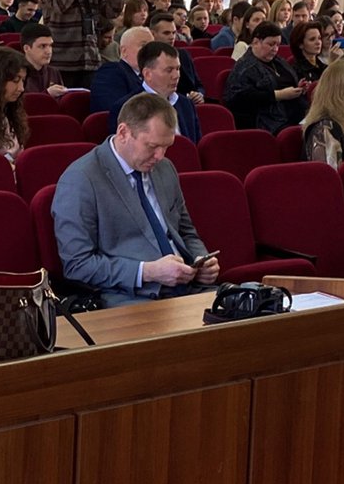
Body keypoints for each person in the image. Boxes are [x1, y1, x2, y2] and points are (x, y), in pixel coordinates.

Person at [50, 93, 220, 308]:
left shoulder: (165, 168)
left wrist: (201, 260)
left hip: (190, 287)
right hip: (131, 296)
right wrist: (147, 272)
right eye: (152, 146)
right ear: (123, 133)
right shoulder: (81, 180)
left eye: (166, 146)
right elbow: (78, 264)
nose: (160, 156)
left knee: (258, 311)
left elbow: (186, 231)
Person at [223, 22, 308, 133]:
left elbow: (286, 82)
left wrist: (298, 88)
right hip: (268, 122)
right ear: (256, 42)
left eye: (278, 45)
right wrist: (278, 95)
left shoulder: (278, 61)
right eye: (271, 44)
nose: (275, 49)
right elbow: (238, 98)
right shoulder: (245, 67)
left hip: (292, 114)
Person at [90, 26, 155, 124]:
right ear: (124, 51)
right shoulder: (111, 72)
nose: (150, 52)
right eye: (143, 47)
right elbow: (115, 110)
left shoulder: (149, 76)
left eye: (152, 47)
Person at [20, 24, 66, 96]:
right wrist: (47, 94)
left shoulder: (53, 72)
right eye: (42, 46)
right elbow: (20, 104)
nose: (49, 51)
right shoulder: (17, 74)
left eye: (50, 45)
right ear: (26, 48)